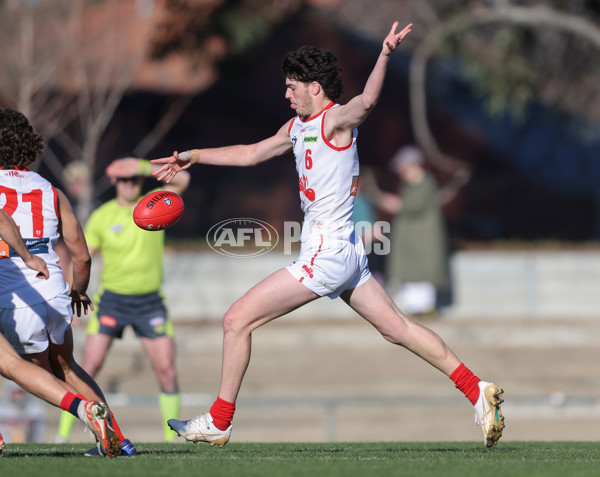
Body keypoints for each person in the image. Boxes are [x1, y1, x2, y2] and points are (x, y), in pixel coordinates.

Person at [152, 22, 505, 448]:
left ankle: (219, 421)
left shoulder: (333, 121)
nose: (286, 93)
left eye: (291, 86)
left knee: (235, 320)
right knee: (398, 329)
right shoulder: (295, 127)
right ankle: (476, 389)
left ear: (314, 87)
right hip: (346, 254)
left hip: (328, 255)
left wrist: (385, 54)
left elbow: (368, 101)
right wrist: (193, 156)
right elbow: (250, 154)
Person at [0, 109, 124, 457]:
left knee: (14, 366)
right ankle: (118, 439)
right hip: (54, 286)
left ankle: (83, 410)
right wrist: (77, 291)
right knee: (66, 366)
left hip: (11, 286)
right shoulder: (51, 191)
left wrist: (23, 257)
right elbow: (81, 257)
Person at [56, 156, 190, 445]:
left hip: (150, 302)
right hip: (112, 301)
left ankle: (171, 439)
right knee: (86, 367)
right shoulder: (102, 216)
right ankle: (62, 436)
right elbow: (81, 257)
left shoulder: (155, 203)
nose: (131, 184)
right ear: (116, 182)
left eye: (135, 179)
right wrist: (69, 297)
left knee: (167, 369)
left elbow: (183, 180)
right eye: (125, 179)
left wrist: (140, 166)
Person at [385, 146, 450, 316]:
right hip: (411, 243)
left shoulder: (425, 183)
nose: (399, 171)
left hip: (422, 243)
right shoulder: (411, 185)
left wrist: (396, 204)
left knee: (422, 279)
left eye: (401, 166)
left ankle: (425, 310)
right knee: (410, 279)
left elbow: (414, 206)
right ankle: (414, 311)